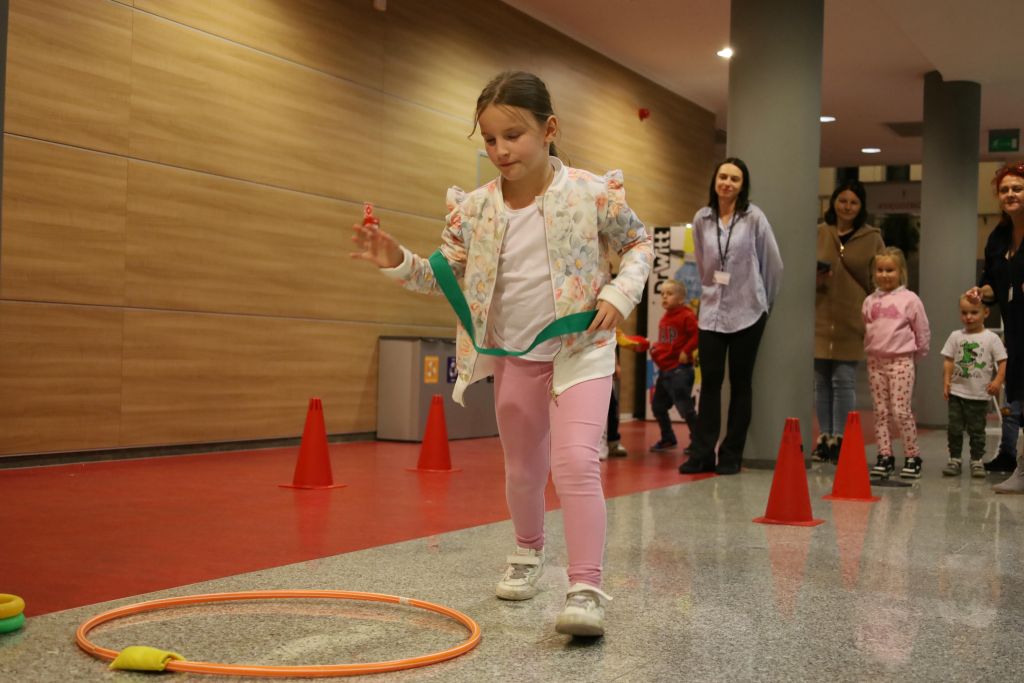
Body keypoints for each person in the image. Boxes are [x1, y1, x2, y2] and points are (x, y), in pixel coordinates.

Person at [350, 71, 653, 634]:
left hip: (580, 350)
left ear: (550, 129)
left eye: (513, 135)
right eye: (489, 139)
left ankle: (585, 587)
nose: (500, 150)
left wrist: (618, 292)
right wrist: (394, 258)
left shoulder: (592, 193)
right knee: (523, 470)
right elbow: (440, 277)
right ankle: (528, 551)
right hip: (514, 357)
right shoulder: (474, 211)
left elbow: (638, 244)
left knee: (576, 464)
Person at [679, 158, 783, 475]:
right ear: (715, 180)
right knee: (709, 383)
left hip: (748, 311)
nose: (727, 183)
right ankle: (702, 453)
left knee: (740, 384)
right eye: (722, 176)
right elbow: (701, 260)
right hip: (711, 311)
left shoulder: (754, 218)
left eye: (734, 179)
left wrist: (765, 303)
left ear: (742, 185)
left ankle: (731, 454)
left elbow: (773, 264)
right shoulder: (702, 218)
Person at [813, 181, 885, 462]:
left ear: (861, 206)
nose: (847, 206)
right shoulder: (820, 233)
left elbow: (879, 277)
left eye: (853, 202)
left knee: (843, 380)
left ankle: (842, 437)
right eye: (842, 200)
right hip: (820, 315)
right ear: (833, 203)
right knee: (821, 382)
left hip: (853, 319)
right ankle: (825, 438)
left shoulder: (872, 237)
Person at [967, 161, 1024, 493]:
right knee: (1018, 397)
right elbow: (991, 285)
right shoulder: (998, 237)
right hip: (1015, 328)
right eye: (1004, 190)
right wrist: (979, 293)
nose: (1010, 194)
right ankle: (1020, 469)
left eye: (1017, 188)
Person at [863, 247, 930, 479]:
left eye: (890, 270)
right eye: (880, 270)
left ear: (900, 271)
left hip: (902, 361)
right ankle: (885, 454)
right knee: (881, 411)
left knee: (901, 411)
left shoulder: (910, 300)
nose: (884, 275)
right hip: (875, 362)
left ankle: (912, 455)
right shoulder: (870, 301)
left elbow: (922, 333)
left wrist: (914, 356)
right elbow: (868, 328)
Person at [940, 295, 1007, 477]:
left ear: (985, 313)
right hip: (957, 392)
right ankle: (955, 459)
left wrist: (997, 381)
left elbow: (1002, 361)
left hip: (979, 394)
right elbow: (948, 359)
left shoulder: (991, 338)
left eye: (974, 313)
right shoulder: (956, 336)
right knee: (954, 428)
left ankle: (976, 460)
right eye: (964, 313)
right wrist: (946, 381)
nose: (968, 317)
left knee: (977, 430)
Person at [639, 279, 699, 453]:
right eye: (662, 293)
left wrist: (686, 350)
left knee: (685, 407)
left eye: (669, 294)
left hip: (680, 371)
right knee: (658, 406)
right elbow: (668, 342)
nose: (664, 297)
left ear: (681, 299)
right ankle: (668, 438)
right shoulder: (665, 317)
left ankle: (697, 441)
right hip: (666, 372)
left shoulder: (686, 315)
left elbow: (696, 335)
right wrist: (656, 349)